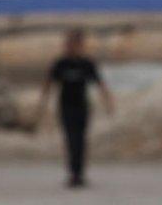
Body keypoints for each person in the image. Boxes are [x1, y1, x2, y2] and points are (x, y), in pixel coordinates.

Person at [37, 29, 114, 187]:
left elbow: (100, 84)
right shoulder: (60, 63)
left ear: (80, 45)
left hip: (82, 107)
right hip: (66, 107)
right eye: (69, 44)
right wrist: (42, 104)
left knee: (80, 140)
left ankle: (79, 174)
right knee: (70, 140)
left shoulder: (86, 64)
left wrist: (108, 102)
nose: (71, 47)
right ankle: (73, 173)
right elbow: (48, 83)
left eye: (74, 44)